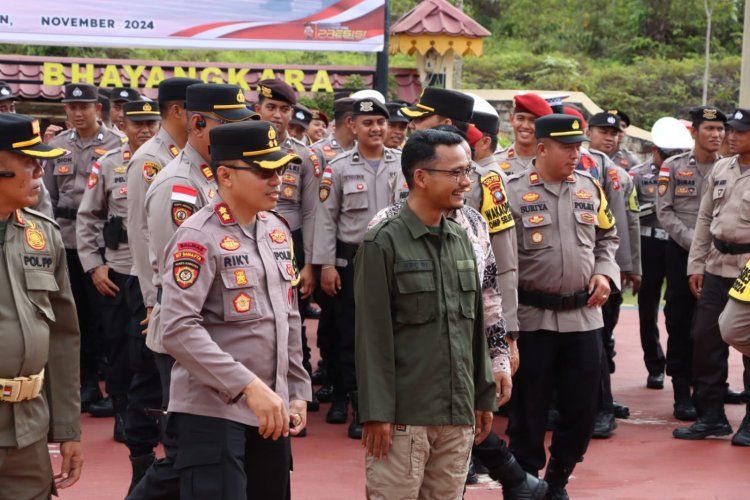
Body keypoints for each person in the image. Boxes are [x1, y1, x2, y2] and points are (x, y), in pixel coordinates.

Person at [160, 120, 311, 499]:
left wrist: (295, 389)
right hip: (214, 410)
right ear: (224, 175)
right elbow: (177, 329)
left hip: (269, 408)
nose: (276, 179)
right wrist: (247, 386)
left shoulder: (276, 231)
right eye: (263, 171)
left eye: (279, 168)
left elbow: (287, 316)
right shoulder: (198, 236)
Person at [129, 83, 256, 500]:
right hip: (187, 339)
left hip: (216, 336)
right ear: (198, 124)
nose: (235, 134)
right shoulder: (179, 185)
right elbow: (174, 271)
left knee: (205, 454)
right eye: (228, 125)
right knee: (190, 451)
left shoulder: (213, 174)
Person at [355, 128, 496, 500]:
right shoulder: (382, 241)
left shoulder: (461, 239)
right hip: (403, 418)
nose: (466, 182)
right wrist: (377, 412)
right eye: (456, 173)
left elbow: (475, 326)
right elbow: (372, 334)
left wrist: (482, 396)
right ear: (421, 177)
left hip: (456, 412)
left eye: (468, 172)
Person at [505, 114, 620, 499]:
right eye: (567, 148)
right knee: (529, 409)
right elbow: (496, 258)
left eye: (578, 147)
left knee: (583, 407)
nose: (576, 155)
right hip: (532, 317)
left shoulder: (589, 187)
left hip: (583, 318)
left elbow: (607, 237)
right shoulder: (511, 191)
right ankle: (525, 481)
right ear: (541, 148)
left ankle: (558, 479)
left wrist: (604, 273)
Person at [123, 76, 200, 495]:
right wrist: (153, 301)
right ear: (178, 112)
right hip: (151, 288)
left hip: (169, 290)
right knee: (148, 380)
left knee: (162, 385)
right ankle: (141, 468)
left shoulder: (184, 157)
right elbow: (140, 234)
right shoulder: (150, 160)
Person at [0, 113, 83, 497]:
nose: (39, 170)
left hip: (27, 431)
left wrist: (67, 431)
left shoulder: (43, 235)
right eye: (29, 162)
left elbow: (63, 337)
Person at [312, 98, 401, 439]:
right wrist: (327, 266)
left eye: (381, 122)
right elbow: (325, 219)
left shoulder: (404, 164)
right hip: (352, 261)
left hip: (394, 262)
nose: (376, 128)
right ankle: (358, 404)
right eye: (368, 123)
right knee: (352, 334)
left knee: (391, 333)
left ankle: (388, 403)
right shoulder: (337, 167)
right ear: (353, 126)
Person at [76, 101, 161, 448]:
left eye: (150, 123)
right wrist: (94, 265)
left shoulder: (171, 162)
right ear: (123, 126)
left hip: (155, 274)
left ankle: (154, 413)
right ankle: (123, 411)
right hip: (120, 270)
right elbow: (88, 218)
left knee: (153, 346)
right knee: (119, 346)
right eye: (137, 123)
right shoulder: (108, 164)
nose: (144, 130)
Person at [43, 83, 126, 411]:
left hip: (101, 244)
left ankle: (111, 387)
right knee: (72, 316)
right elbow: (46, 196)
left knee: (105, 317)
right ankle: (86, 385)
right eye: (72, 107)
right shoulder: (58, 145)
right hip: (65, 241)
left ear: (98, 110)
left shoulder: (118, 145)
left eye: (84, 107)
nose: (78, 113)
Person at [673, 108, 750, 446]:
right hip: (716, 266)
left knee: (749, 346)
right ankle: (712, 416)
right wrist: (696, 265)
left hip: (748, 268)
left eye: (740, 132)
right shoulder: (722, 167)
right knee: (705, 340)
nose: (731, 136)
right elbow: (704, 219)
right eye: (730, 131)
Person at [657, 106, 727, 421]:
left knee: (714, 328)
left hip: (720, 259)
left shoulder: (730, 168)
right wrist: (695, 243)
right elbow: (665, 211)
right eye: (709, 129)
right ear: (694, 132)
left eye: (720, 130)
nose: (716, 135)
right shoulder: (672, 167)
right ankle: (682, 391)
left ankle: (711, 389)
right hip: (680, 255)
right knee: (680, 322)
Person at [254, 79, 318, 412]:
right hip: (246, 237)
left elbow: (310, 211)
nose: (277, 115)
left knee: (292, 315)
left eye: (284, 109)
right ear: (258, 109)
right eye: (271, 108)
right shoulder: (241, 147)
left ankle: (296, 391)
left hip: (288, 241)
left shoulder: (303, 154)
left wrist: (309, 263)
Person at [630, 117, 694, 389]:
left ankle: (684, 365)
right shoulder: (637, 174)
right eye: (667, 154)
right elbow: (629, 213)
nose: (672, 159)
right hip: (650, 245)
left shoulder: (687, 171)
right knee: (648, 306)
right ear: (654, 150)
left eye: (677, 153)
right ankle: (654, 365)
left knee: (679, 306)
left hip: (678, 244)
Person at [494, 93, 553, 176]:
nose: (525, 126)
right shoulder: (496, 162)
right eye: (520, 118)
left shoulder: (553, 163)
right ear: (511, 119)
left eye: (533, 120)